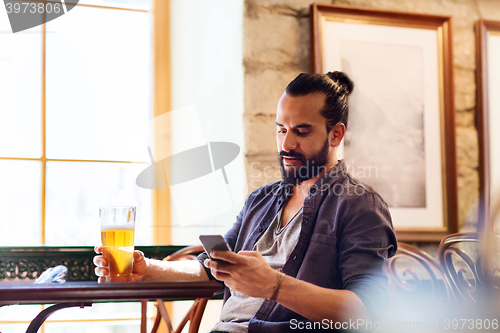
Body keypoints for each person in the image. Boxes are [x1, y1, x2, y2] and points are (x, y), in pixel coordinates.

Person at [94, 71, 397, 332]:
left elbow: (368, 314)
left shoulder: (360, 207)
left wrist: (274, 287)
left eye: (301, 131)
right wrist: (146, 268)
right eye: (281, 129)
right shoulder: (260, 200)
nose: (286, 144)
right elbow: (211, 267)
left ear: (336, 135)